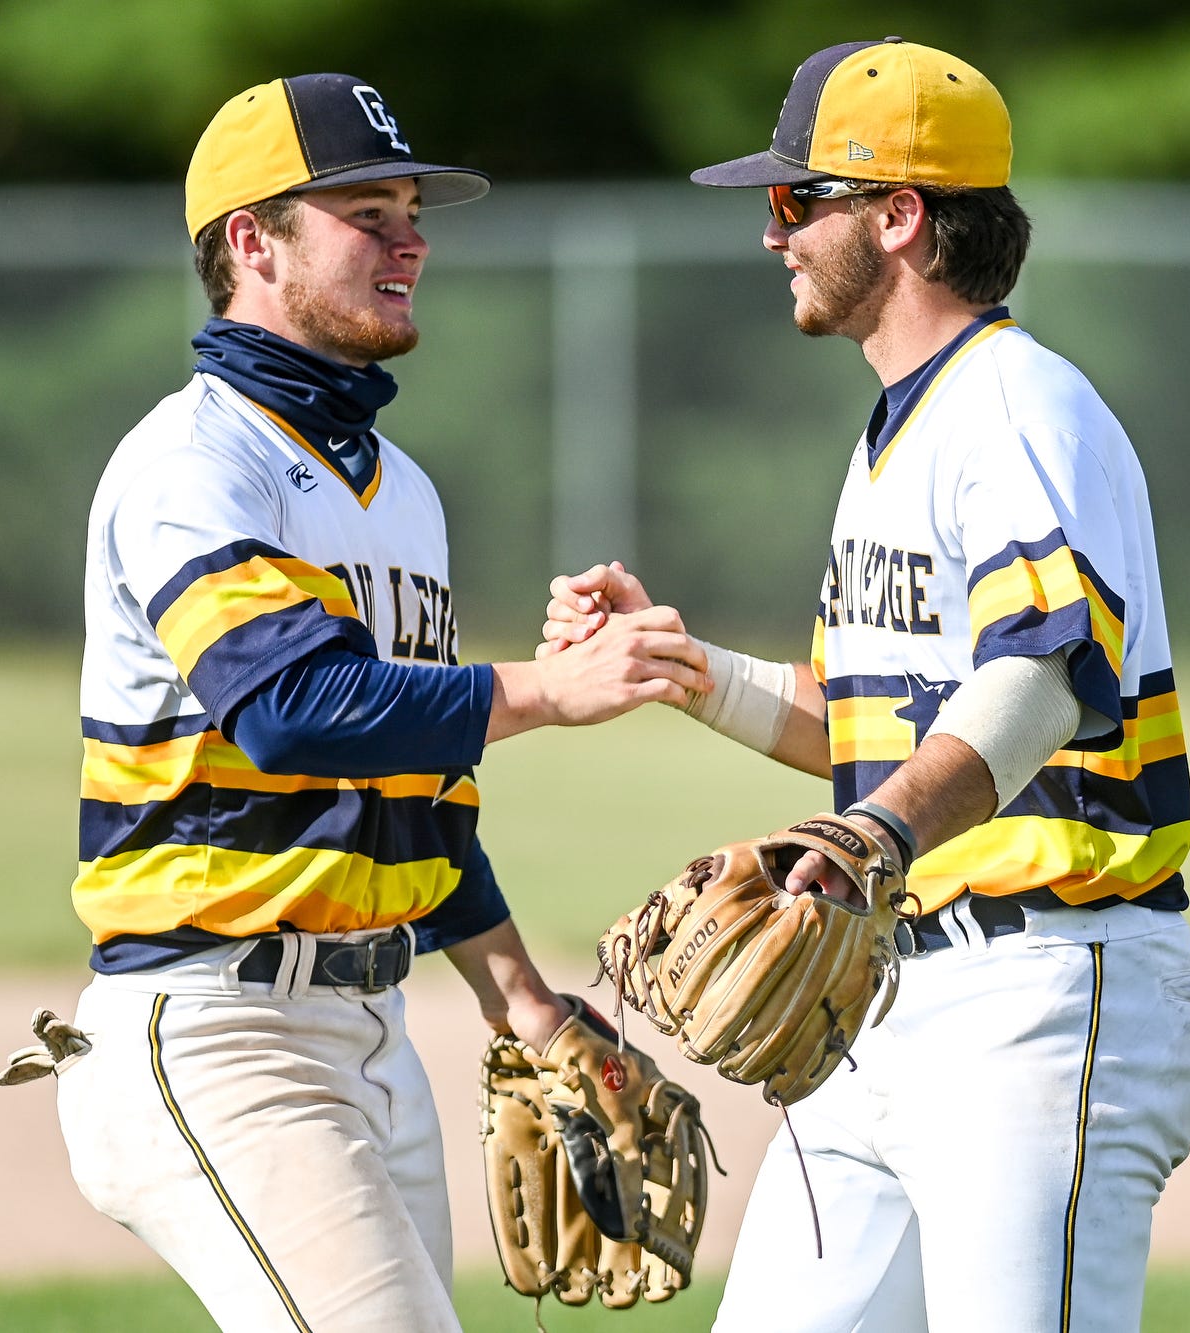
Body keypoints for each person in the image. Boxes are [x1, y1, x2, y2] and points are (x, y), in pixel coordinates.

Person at [543, 39, 1190, 1332]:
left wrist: (876, 831)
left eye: (798, 200)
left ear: (899, 217)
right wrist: (684, 671)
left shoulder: (1018, 407)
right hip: (891, 993)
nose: (771, 235)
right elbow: (875, 730)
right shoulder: (896, 434)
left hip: (1045, 986)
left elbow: (1041, 683)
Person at [45, 73, 708, 1332]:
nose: (410, 237)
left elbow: (406, 792)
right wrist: (540, 691)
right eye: (366, 209)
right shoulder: (194, 462)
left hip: (369, 1033)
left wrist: (517, 994)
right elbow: (290, 711)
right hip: (221, 1025)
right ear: (253, 240)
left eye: (412, 207)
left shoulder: (400, 489)